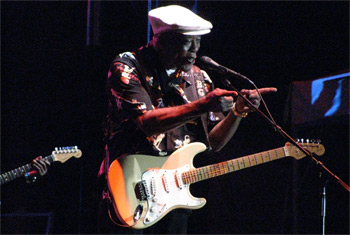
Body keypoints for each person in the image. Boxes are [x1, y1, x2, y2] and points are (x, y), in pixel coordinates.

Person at [97, 5, 277, 234]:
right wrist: (202, 105)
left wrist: (237, 113)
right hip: (128, 189)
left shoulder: (199, 78)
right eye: (186, 42)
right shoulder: (128, 66)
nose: (195, 50)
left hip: (173, 195)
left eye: (198, 42)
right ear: (161, 40)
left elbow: (211, 143)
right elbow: (147, 123)